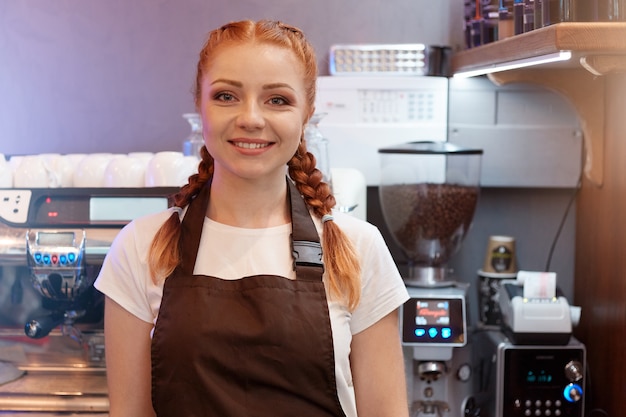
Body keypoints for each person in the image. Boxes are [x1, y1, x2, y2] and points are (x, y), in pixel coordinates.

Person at [94, 19, 410, 417]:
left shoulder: (357, 249)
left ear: (307, 112)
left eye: (277, 100)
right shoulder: (140, 248)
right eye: (226, 95)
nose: (251, 119)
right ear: (199, 105)